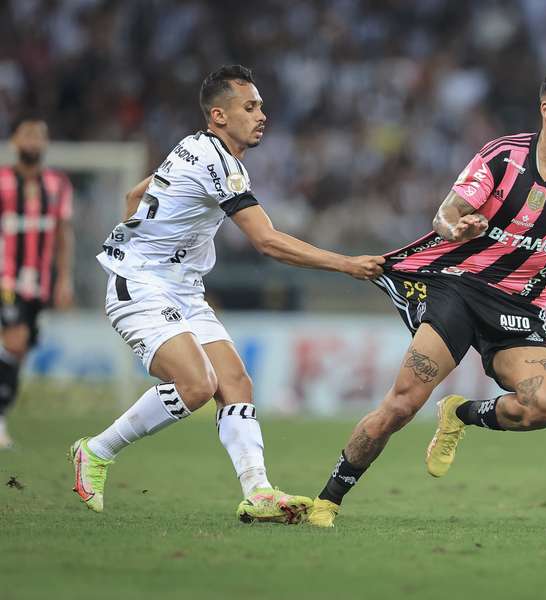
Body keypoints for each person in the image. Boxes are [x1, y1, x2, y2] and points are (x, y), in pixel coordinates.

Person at [307, 66, 546, 527]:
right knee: (400, 405)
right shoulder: (503, 157)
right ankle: (328, 501)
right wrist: (455, 227)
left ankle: (461, 413)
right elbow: (448, 211)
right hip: (458, 288)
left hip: (519, 307)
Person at [70, 65, 384, 523]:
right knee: (197, 386)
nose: (262, 115)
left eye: (261, 106)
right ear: (219, 115)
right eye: (250, 107)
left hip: (181, 289)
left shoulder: (193, 146)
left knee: (235, 383)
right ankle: (95, 451)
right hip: (139, 284)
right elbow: (267, 241)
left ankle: (258, 491)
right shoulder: (218, 161)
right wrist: (346, 263)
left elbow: (136, 196)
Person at [0, 116, 75, 449]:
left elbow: (63, 234)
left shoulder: (57, 184)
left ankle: (1, 417)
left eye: (39, 135)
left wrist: (64, 280)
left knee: (19, 352)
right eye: (27, 134)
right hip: (5, 278)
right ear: (15, 141)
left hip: (39, 283)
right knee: (14, 342)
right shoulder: (2, 181)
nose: (33, 141)